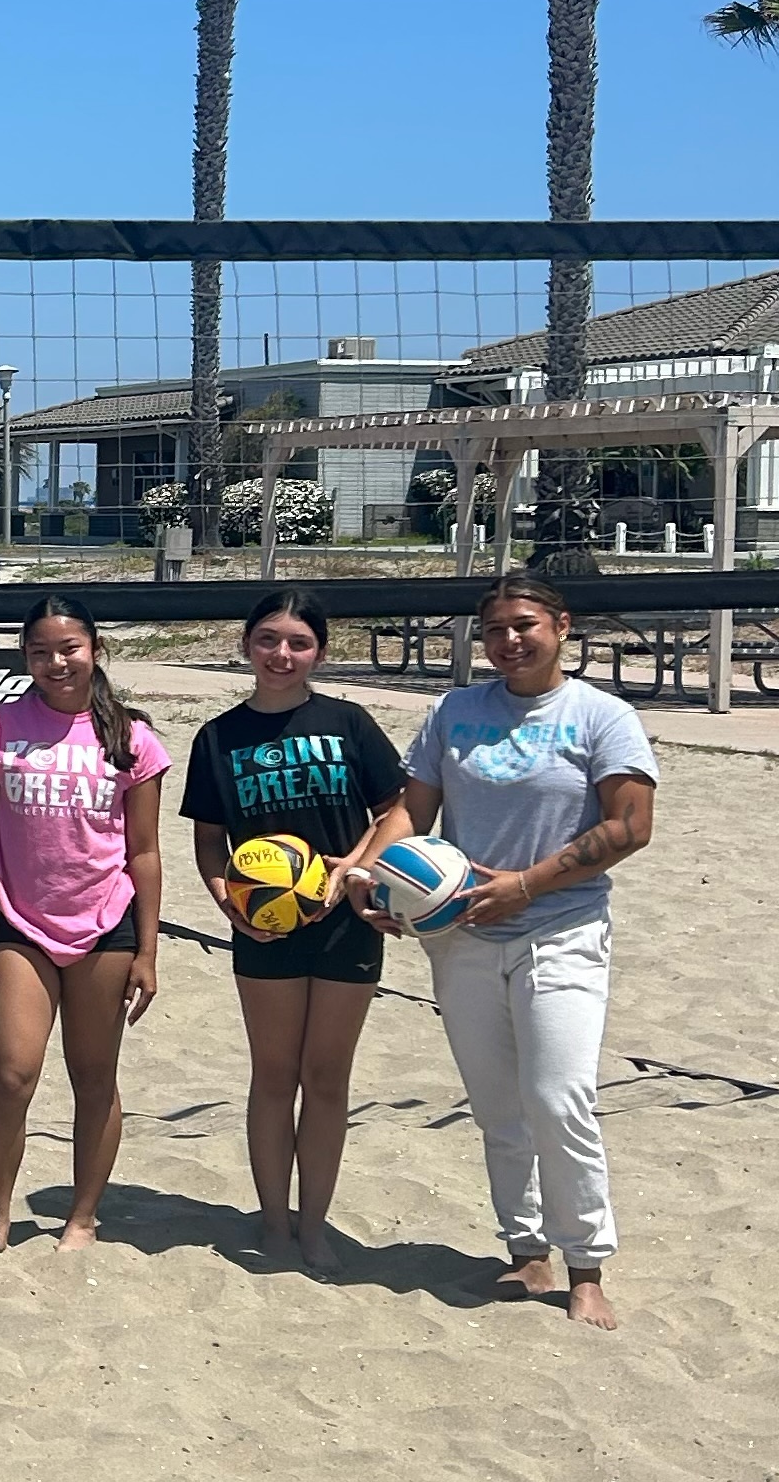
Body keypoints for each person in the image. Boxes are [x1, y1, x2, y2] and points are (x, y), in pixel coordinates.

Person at [338, 570, 658, 1332]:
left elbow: (631, 827)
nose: (510, 641)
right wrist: (369, 880)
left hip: (563, 927)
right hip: (461, 935)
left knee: (559, 1098)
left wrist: (528, 884)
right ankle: (526, 1247)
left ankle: (587, 1267)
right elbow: (413, 813)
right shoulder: (455, 711)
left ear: (561, 626)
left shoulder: (602, 716)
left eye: (524, 626)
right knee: (496, 1106)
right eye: (495, 630)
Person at [180, 590, 408, 1274]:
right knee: (274, 1076)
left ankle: (315, 1225)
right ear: (246, 644)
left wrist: (356, 868)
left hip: (348, 922)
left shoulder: (348, 723)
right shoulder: (219, 736)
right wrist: (228, 903)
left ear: (320, 652)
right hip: (266, 929)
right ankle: (275, 1222)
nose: (282, 655)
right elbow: (209, 842)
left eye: (299, 643)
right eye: (269, 640)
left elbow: (398, 810)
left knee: (327, 1078)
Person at [0, 593, 166, 1258]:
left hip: (107, 926)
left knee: (94, 1075)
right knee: (12, 1074)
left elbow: (147, 851)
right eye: (41, 651)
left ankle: (82, 1216)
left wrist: (149, 950)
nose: (56, 662)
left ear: (95, 651)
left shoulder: (131, 737)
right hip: (21, 925)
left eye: (68, 648)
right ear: (26, 657)